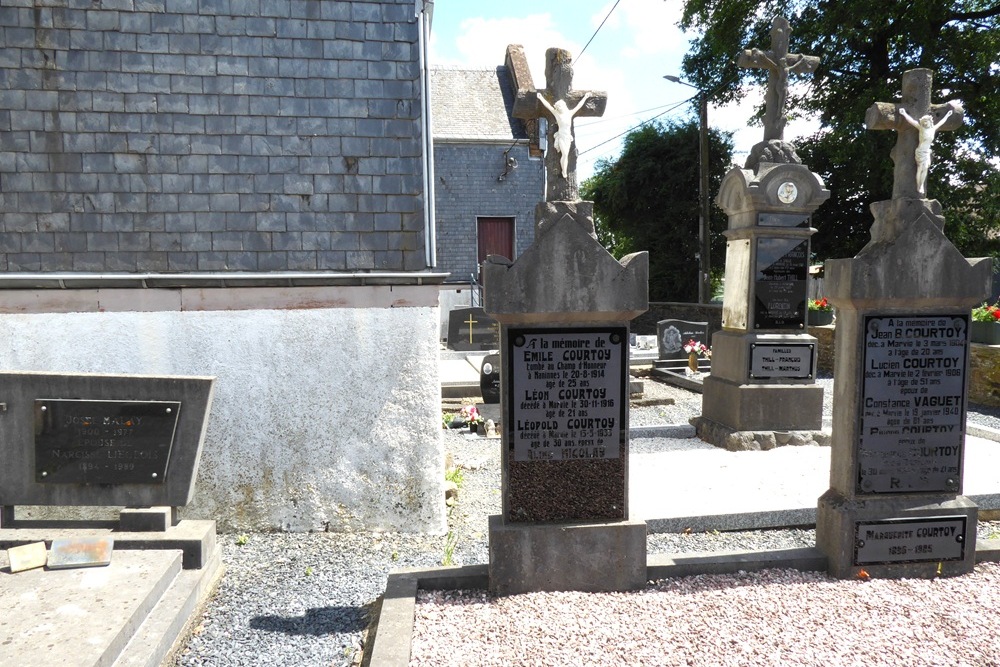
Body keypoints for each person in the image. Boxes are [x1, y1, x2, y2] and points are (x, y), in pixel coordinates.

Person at [898, 107, 953, 195]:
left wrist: (948, 115)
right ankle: (919, 186)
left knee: (925, 169)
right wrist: (904, 113)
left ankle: (921, 185)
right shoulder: (921, 129)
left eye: (926, 122)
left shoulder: (933, 129)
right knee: (920, 169)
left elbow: (941, 122)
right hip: (921, 151)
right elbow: (911, 121)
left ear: (930, 122)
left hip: (927, 151)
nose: (924, 124)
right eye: (923, 122)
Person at [536, 92, 592, 179]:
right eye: (558, 107)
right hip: (561, 136)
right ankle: (564, 171)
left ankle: (564, 170)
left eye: (560, 106)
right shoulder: (557, 114)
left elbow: (579, 106)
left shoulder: (569, 113)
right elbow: (548, 106)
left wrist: (585, 97)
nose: (560, 108)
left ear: (564, 106)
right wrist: (541, 98)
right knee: (565, 154)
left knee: (566, 154)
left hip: (567, 136)